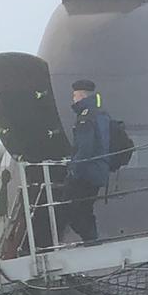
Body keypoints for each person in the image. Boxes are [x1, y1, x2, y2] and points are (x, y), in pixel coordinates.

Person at [55, 79, 114, 245]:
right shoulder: (101, 114)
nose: (73, 100)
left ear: (80, 95)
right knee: (86, 209)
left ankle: (91, 239)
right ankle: (92, 240)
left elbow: (85, 148)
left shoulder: (85, 117)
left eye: (74, 96)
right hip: (99, 171)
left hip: (86, 173)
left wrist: (73, 169)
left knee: (69, 207)